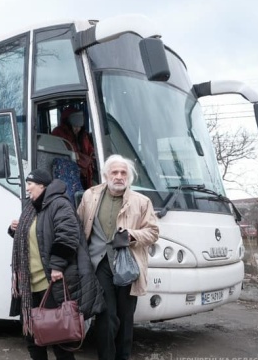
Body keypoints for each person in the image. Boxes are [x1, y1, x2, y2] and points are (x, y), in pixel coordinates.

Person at [8, 169, 103, 360]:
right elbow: (33, 237)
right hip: (29, 284)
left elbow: (68, 236)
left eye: (30, 184)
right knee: (32, 335)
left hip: (50, 282)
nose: (27, 188)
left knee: (59, 336)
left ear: (42, 185)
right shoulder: (31, 207)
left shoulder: (59, 204)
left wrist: (57, 266)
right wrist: (13, 229)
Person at [77, 154, 159, 360]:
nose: (119, 176)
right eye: (115, 172)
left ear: (129, 177)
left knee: (125, 317)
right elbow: (78, 226)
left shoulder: (141, 201)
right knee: (105, 315)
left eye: (123, 173)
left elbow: (153, 232)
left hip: (127, 266)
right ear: (106, 175)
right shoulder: (90, 196)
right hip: (99, 263)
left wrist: (133, 235)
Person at [52, 109, 95, 188]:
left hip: (85, 172)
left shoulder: (83, 134)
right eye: (75, 126)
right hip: (68, 170)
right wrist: (86, 160)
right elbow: (68, 153)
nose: (77, 129)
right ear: (69, 124)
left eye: (79, 127)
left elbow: (89, 149)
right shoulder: (59, 133)